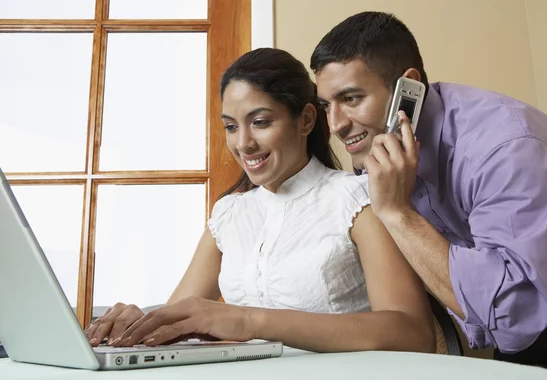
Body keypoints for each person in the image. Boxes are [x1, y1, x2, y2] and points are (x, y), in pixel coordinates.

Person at [85, 48, 435, 353]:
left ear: (306, 120)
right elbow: (180, 315)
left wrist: (250, 320)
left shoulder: (357, 201)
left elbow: (413, 334)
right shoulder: (230, 214)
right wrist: (138, 321)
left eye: (261, 122)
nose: (244, 144)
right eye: (232, 127)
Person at [311, 11, 547, 377]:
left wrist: (396, 213)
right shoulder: (380, 144)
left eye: (350, 98)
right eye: (326, 106)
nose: (335, 124)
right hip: (518, 295)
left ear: (408, 88)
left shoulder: (505, 147)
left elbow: (514, 318)